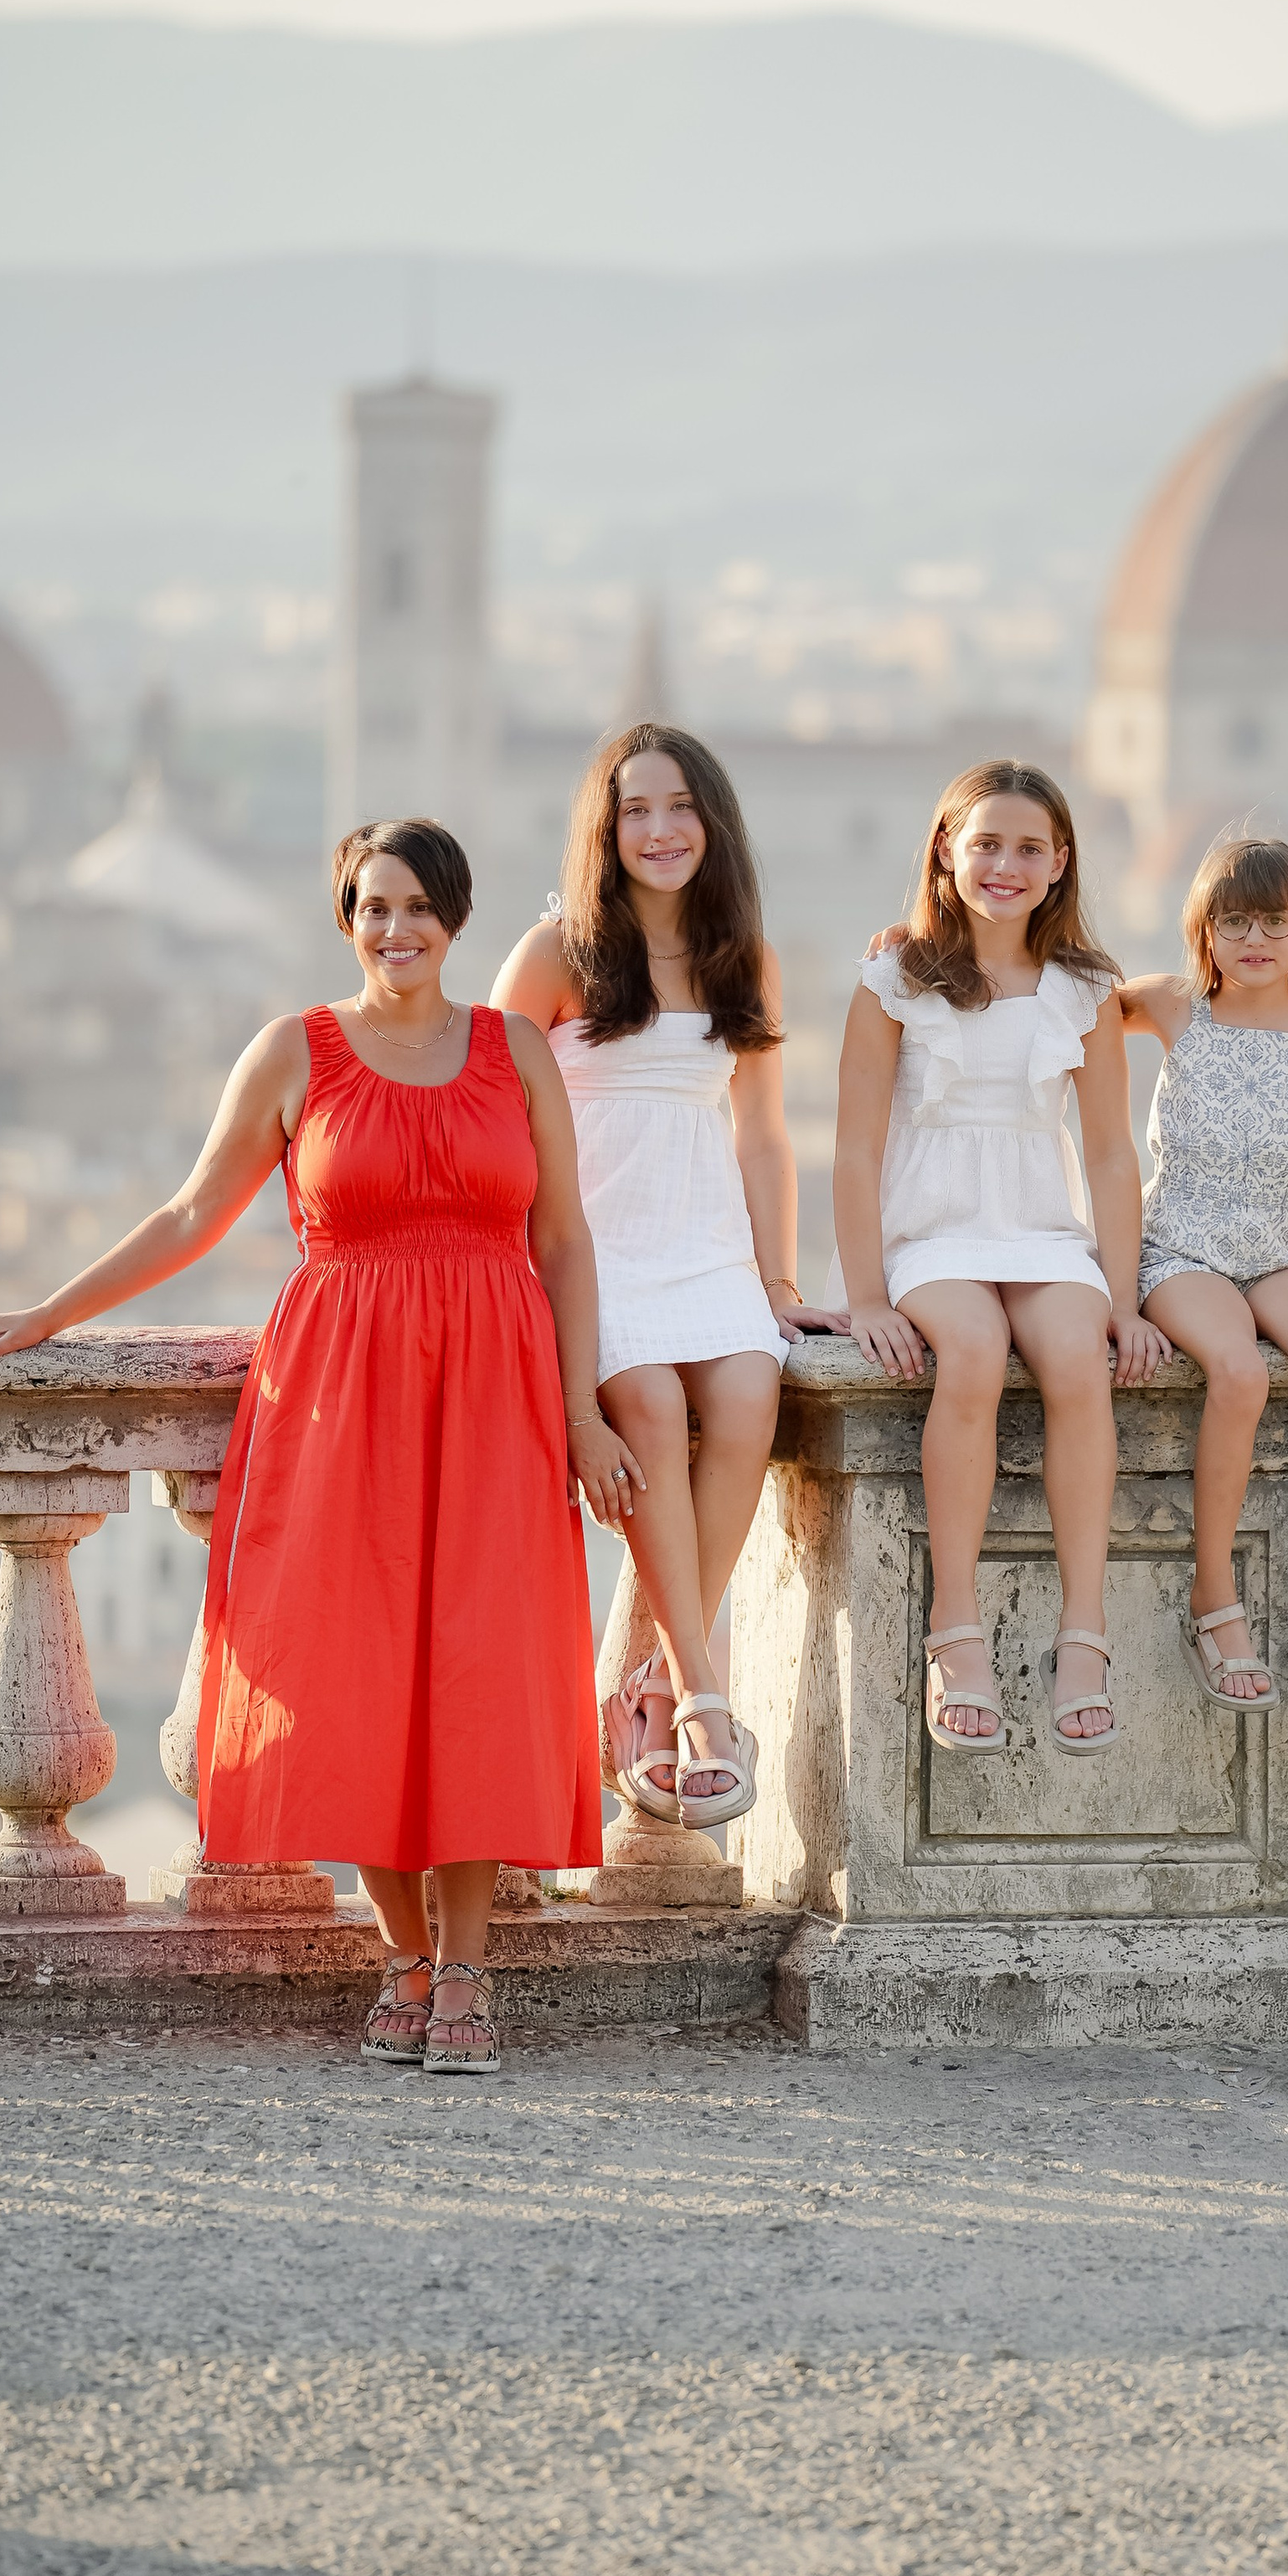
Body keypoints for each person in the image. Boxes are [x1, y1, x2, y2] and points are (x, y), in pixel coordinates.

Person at [0, 818, 632, 2079]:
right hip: (340, 1396)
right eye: (371, 906)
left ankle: (467, 1968)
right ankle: (405, 1955)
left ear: (455, 918)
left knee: (478, 1666)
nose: (394, 929)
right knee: (352, 1674)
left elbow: (567, 1242)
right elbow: (195, 1208)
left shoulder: (512, 1050)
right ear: (345, 918)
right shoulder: (292, 1053)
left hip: (496, 1391)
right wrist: (49, 1311)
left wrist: (581, 1411)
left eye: (417, 906)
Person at [492, 723, 834, 1825]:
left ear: (713, 821)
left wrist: (777, 1279)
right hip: (594, 1244)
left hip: (705, 1242)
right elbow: (492, 1117)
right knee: (643, 1398)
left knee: (747, 1396)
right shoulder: (556, 955)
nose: (659, 829)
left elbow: (765, 1137)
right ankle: (698, 1689)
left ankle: (642, 1674)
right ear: (605, 828)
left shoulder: (748, 957)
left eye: (679, 806)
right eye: (635, 809)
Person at [833, 759, 1167, 1752]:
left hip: (1041, 1226)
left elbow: (1110, 1153)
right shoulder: (891, 979)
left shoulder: (1084, 990)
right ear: (946, 849)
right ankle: (956, 1625)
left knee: (1076, 1360)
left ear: (1060, 863)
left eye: (1029, 848)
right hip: (931, 1231)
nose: (1006, 865)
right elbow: (854, 1149)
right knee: (971, 1352)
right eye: (986, 843)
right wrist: (864, 1299)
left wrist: (1126, 1295)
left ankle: (1083, 1628)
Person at [1120, 832, 1288, 1708]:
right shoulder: (1172, 1006)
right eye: (1234, 921)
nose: (1255, 940)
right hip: (1182, 1249)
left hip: (1279, 1251)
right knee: (1236, 1370)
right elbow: (1058, 992)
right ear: (1204, 930)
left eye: (1274, 922)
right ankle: (1214, 1596)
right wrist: (916, 948)